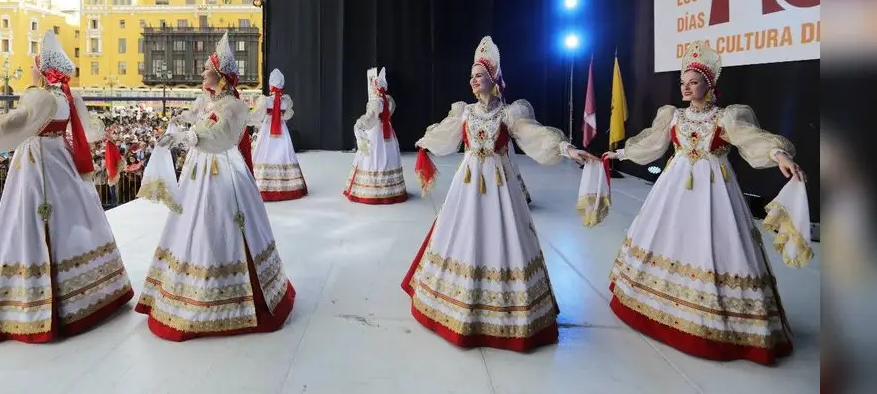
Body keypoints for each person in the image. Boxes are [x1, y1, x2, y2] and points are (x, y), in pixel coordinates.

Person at [602, 40, 805, 365]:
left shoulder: (727, 119)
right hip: (674, 188)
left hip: (714, 193)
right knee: (668, 239)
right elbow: (652, 145)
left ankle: (717, 324)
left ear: (708, 85)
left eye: (693, 82)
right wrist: (622, 153)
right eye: (683, 83)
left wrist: (779, 155)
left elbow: (753, 140)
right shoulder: (673, 117)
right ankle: (656, 308)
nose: (686, 87)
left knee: (715, 245)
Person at [0, 31, 133, 345]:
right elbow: (90, 130)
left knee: (25, 222)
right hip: (63, 162)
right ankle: (87, 295)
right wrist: (107, 139)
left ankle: (31, 306)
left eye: (33, 64)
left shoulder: (39, 97)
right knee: (72, 221)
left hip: (37, 163)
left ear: (42, 69)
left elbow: (9, 126)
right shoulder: (69, 97)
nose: (29, 69)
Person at [404, 36, 596, 351]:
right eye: (471, 76)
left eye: (478, 75)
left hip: (498, 188)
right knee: (462, 237)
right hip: (467, 186)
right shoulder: (464, 112)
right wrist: (426, 141)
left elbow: (533, 135)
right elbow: (446, 134)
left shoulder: (509, 114)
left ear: (493, 78)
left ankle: (506, 314)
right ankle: (456, 303)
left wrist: (566, 148)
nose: (472, 81)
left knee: (502, 239)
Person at [135, 32, 296, 341]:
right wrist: (181, 122)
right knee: (190, 225)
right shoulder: (209, 100)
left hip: (223, 170)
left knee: (220, 223)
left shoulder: (234, 107)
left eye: (207, 70)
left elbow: (220, 139)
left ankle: (230, 297)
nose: (202, 73)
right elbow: (198, 120)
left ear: (220, 76)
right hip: (199, 171)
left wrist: (184, 137)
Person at [343, 67, 408, 204]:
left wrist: (359, 124)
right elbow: (389, 113)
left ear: (377, 87)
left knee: (373, 157)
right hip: (387, 130)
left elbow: (370, 118)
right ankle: (391, 189)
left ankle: (374, 190)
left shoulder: (376, 102)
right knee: (387, 155)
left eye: (373, 84)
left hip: (376, 130)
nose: (371, 87)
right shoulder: (389, 100)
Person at [248, 68, 308, 201]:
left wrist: (244, 118)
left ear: (271, 84)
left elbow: (257, 116)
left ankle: (262, 185)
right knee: (284, 154)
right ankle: (287, 185)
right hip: (282, 131)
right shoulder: (285, 102)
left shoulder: (265, 100)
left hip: (267, 130)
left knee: (264, 154)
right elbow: (287, 116)